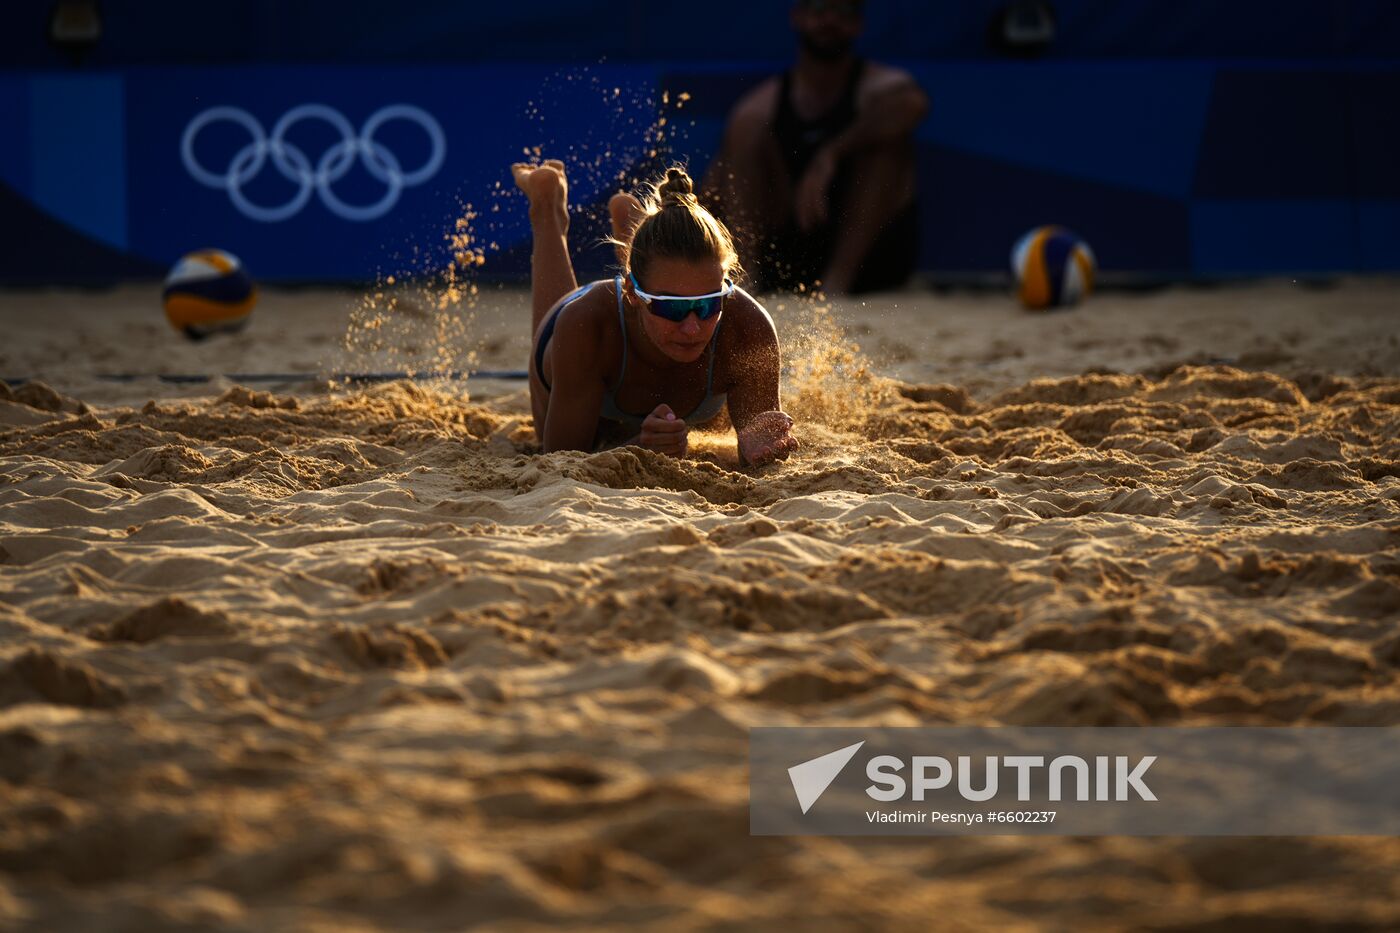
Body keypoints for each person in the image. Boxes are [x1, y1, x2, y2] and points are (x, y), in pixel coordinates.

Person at [513, 159, 799, 466]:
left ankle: (635, 231)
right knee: (596, 423)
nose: (692, 327)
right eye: (671, 307)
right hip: (588, 325)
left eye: (707, 304)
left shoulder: (747, 327)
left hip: (644, 299)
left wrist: (765, 450)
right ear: (632, 294)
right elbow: (559, 463)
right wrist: (639, 449)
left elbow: (761, 462)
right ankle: (547, 208)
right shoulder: (587, 324)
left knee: (714, 425)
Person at [702, 0, 929, 296]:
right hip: (787, 253)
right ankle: (747, 277)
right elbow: (714, 190)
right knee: (744, 134)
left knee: (887, 146)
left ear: (858, 25)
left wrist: (832, 153)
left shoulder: (880, 87)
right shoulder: (762, 106)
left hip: (870, 266)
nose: (829, 21)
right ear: (798, 17)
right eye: (820, 10)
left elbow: (913, 105)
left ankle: (837, 282)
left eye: (842, 12)